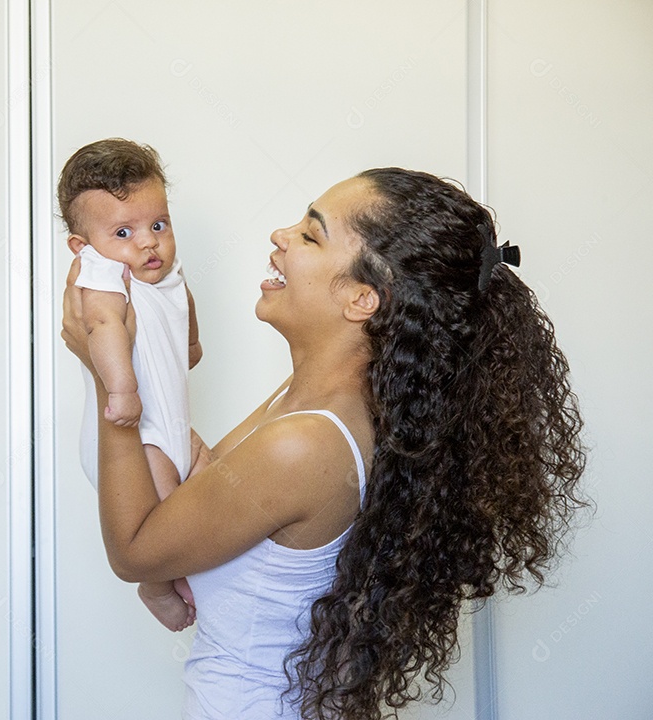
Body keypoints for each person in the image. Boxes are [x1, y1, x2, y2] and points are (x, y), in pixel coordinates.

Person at [61, 167, 587, 719]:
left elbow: (135, 552)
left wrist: (106, 374)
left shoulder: (305, 442)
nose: (280, 236)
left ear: (362, 298)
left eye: (311, 235)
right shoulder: (313, 401)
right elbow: (206, 500)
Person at [58, 138, 203, 632]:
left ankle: (192, 572)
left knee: (213, 485)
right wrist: (121, 391)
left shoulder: (164, 268)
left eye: (158, 225)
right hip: (132, 434)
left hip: (171, 429)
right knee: (164, 521)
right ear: (83, 247)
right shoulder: (103, 274)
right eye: (124, 232)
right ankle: (157, 587)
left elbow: (184, 301)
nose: (147, 243)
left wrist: (191, 344)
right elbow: (102, 327)